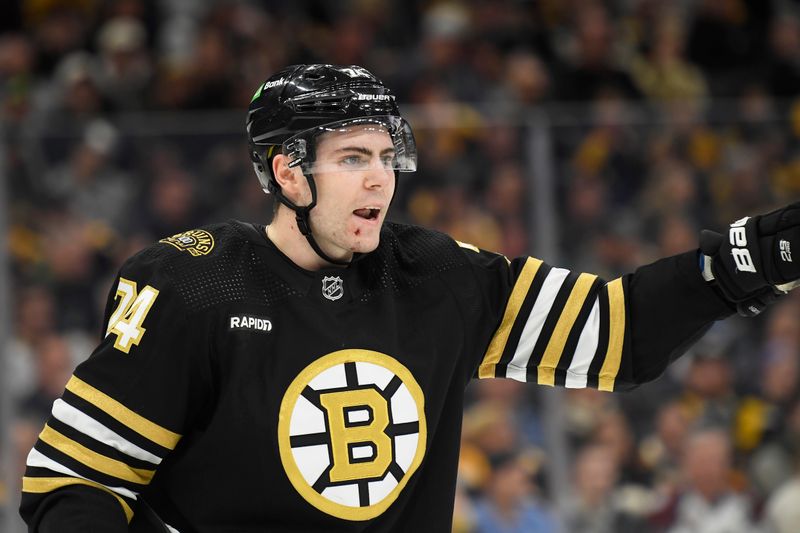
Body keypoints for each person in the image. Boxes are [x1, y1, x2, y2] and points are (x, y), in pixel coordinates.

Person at [17, 64, 800, 532]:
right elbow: (68, 481)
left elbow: (615, 332)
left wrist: (759, 252)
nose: (380, 178)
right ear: (288, 173)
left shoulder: (436, 276)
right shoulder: (195, 284)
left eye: (386, 155)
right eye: (352, 156)